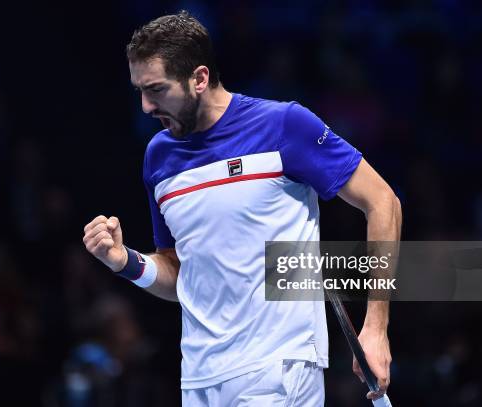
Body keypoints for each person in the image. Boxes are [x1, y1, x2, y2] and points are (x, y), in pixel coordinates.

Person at [83, 10, 402, 406]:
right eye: (140, 91)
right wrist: (124, 261)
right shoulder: (158, 157)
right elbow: (184, 275)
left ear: (199, 78)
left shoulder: (284, 125)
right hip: (199, 378)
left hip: (279, 367)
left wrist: (376, 326)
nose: (146, 106)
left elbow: (383, 202)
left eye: (157, 89)